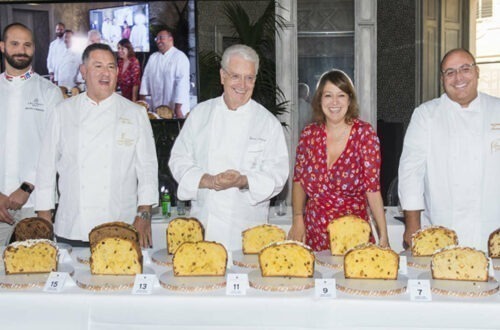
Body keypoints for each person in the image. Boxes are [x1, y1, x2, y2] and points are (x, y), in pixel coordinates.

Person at [35, 43, 158, 248]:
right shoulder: (62, 111)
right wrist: (44, 214)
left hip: (121, 224)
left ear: (117, 72)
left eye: (111, 67)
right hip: (73, 225)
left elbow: (147, 167)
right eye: (98, 66)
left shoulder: (134, 113)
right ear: (83, 71)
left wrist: (144, 214)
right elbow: (46, 166)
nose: (105, 73)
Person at [169, 44, 289, 251]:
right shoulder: (200, 115)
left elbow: (278, 176)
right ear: (222, 76)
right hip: (205, 226)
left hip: (248, 231)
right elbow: (178, 160)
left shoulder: (268, 123)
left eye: (249, 77)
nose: (242, 84)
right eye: (235, 76)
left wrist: (243, 180)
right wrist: (208, 180)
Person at [398, 48, 500, 252]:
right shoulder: (426, 115)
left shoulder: (496, 109)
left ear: (477, 72)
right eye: (450, 72)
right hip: (441, 229)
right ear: (442, 79)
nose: (458, 77)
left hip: (493, 228)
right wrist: (412, 226)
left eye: (465, 69)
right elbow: (411, 172)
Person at [288, 70, 389, 251]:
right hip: (313, 232)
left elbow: (373, 190)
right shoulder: (309, 134)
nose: (334, 102)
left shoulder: (364, 134)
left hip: (352, 235)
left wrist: (384, 236)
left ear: (349, 100)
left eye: (341, 95)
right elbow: (298, 181)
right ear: (320, 100)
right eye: (328, 95)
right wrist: (297, 218)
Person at [0, 23, 64, 245]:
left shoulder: (50, 93)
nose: (21, 50)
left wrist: (26, 187)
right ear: (2, 46)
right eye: (15, 44)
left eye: (27, 45)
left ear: (34, 49)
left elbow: (53, 149)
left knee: (36, 269)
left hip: (36, 202)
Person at [140, 29, 190, 118]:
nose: (158, 41)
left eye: (161, 38)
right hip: (156, 109)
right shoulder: (153, 57)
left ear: (171, 39)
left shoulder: (180, 57)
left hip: (175, 110)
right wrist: (143, 103)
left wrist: (178, 109)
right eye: (157, 39)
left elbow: (182, 84)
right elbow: (145, 79)